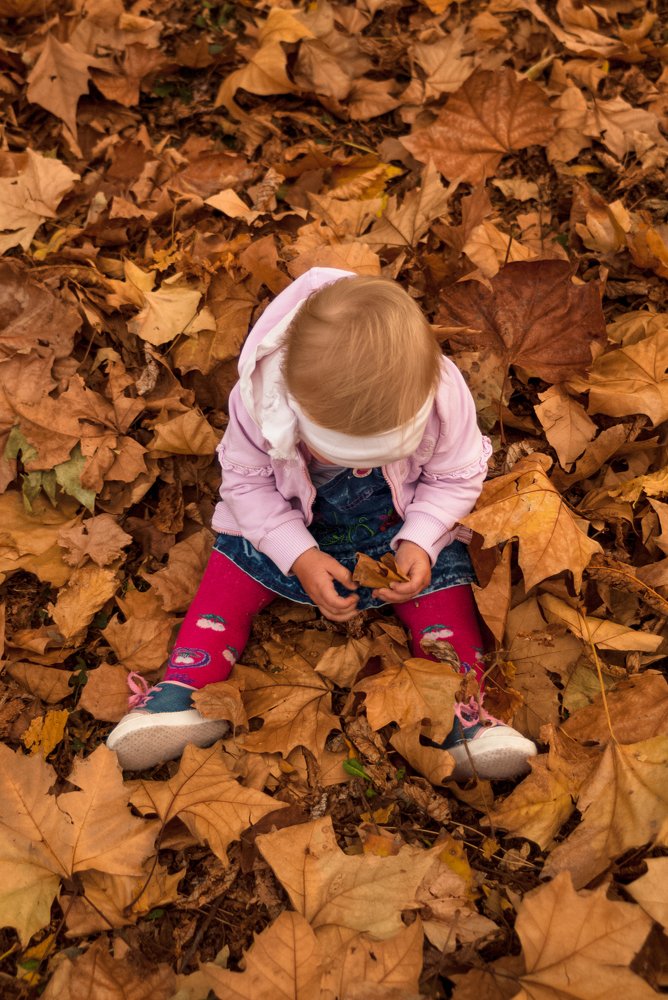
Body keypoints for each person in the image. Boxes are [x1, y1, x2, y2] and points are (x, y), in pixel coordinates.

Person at [107, 269, 536, 780]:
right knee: (231, 565)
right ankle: (184, 688)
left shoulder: (442, 391)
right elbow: (247, 488)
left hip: (401, 518)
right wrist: (299, 555)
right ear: (294, 403)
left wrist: (420, 540)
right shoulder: (259, 399)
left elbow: (456, 478)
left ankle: (465, 713)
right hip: (290, 522)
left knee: (445, 578)